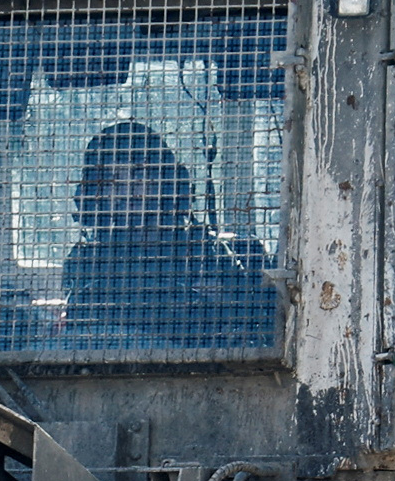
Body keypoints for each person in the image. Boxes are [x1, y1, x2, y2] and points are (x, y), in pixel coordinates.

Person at [59, 120, 273, 350]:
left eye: (138, 174)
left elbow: (245, 336)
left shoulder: (210, 255)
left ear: (166, 180)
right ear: (96, 191)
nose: (127, 189)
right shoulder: (87, 261)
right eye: (113, 179)